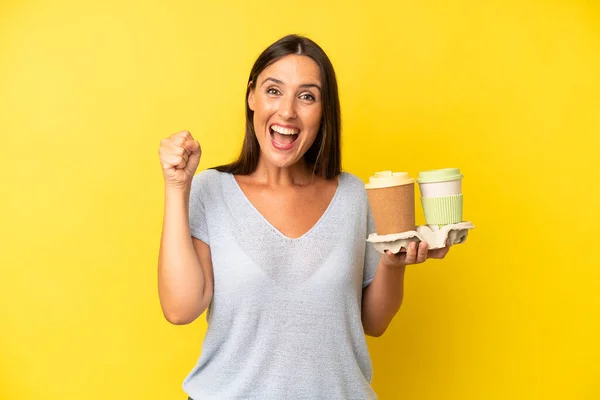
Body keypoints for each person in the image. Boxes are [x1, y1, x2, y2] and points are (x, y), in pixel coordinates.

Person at [157, 34, 450, 400]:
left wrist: (394, 264)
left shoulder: (354, 196)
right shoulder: (211, 191)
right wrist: (176, 187)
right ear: (252, 96)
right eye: (274, 91)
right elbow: (180, 308)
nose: (287, 112)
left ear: (324, 110)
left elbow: (373, 324)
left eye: (307, 96)